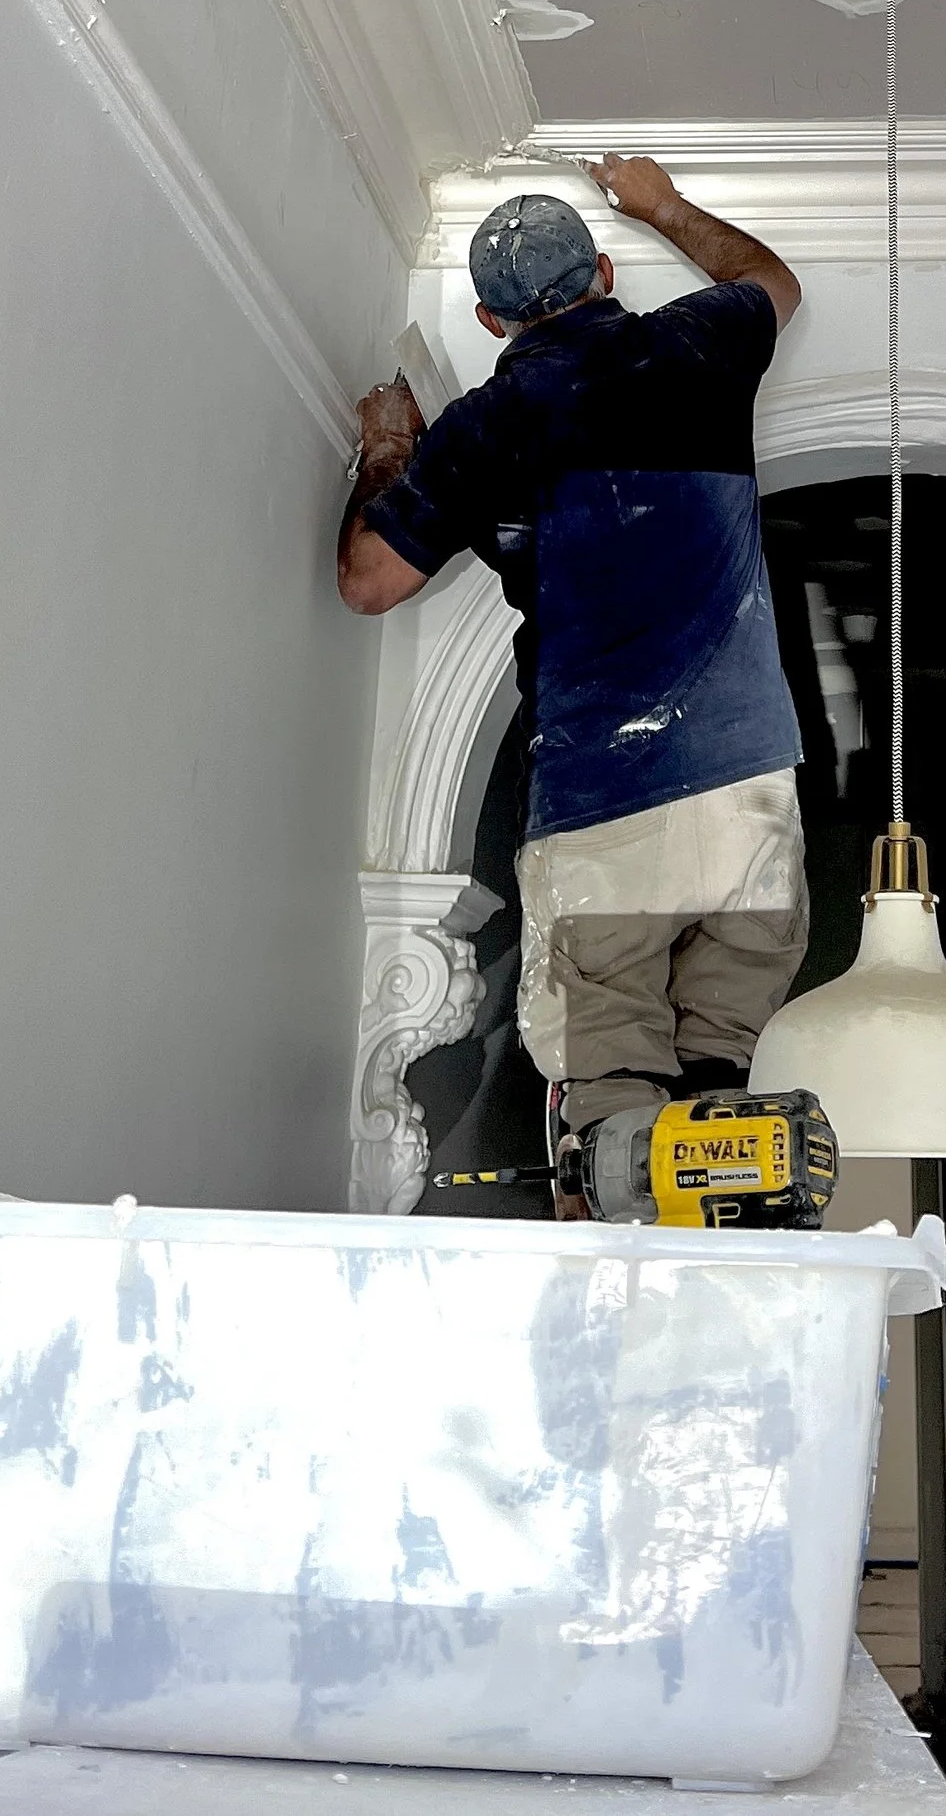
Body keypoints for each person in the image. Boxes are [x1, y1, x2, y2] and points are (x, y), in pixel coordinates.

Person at [337, 155, 808, 1202]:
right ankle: (716, 1262)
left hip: (605, 795)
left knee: (618, 1087)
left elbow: (370, 582)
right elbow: (775, 283)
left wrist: (387, 455)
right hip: (747, 786)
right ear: (601, 272)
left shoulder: (485, 431)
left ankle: (635, 1280)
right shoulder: (700, 343)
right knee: (721, 1075)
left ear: (490, 320)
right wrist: (664, 207)